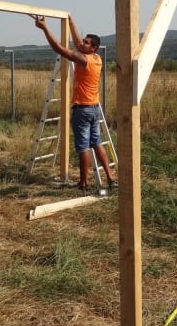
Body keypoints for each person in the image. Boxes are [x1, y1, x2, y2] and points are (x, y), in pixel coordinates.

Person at [34, 15, 116, 193]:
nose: (82, 44)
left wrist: (45, 29)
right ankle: (110, 178)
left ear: (93, 48)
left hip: (83, 110)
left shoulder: (84, 60)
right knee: (97, 143)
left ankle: (84, 183)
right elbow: (78, 44)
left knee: (83, 147)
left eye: (86, 43)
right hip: (93, 109)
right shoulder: (96, 59)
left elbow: (59, 49)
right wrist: (70, 21)